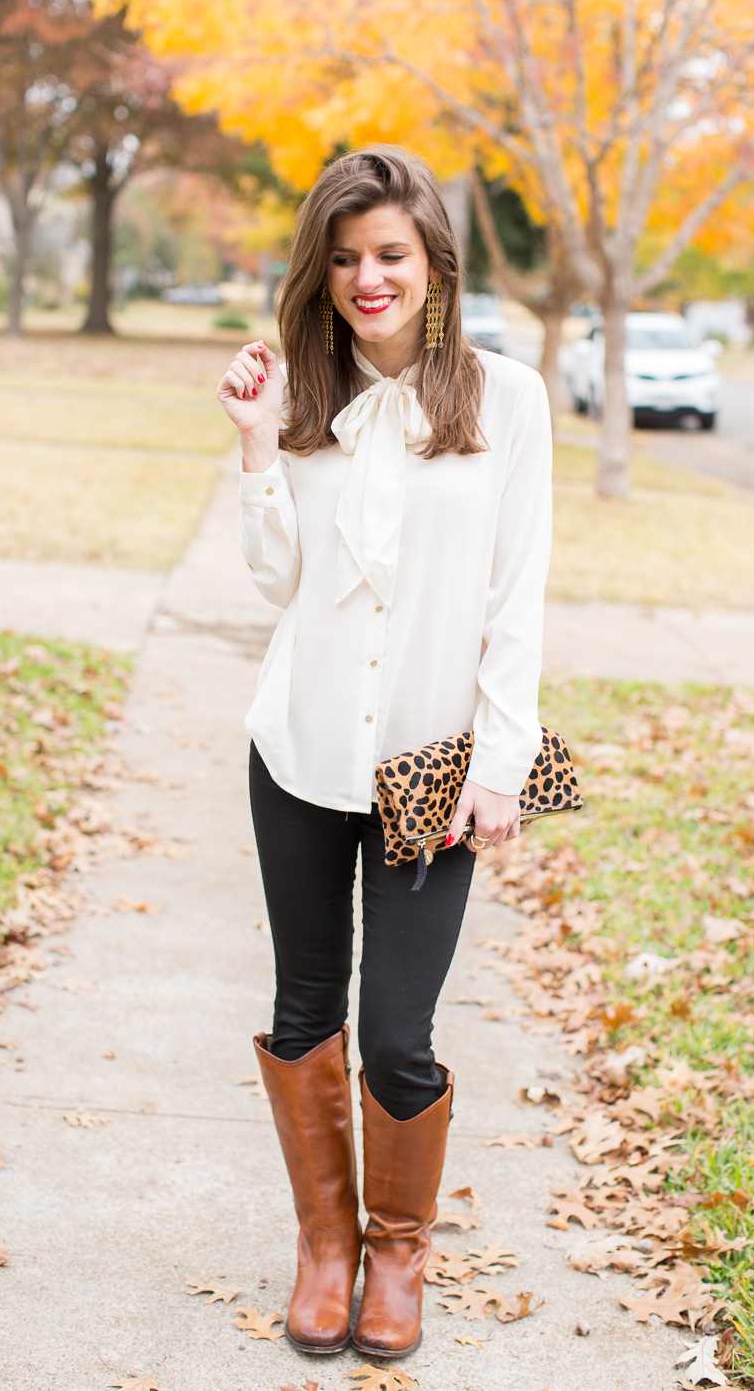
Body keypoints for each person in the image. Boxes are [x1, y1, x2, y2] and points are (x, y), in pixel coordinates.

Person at [215, 145, 552, 1360]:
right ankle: (324, 1248)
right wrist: (259, 446)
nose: (368, 278)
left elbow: (516, 597)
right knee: (304, 1010)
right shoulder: (302, 398)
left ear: (433, 264)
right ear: (323, 269)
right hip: (300, 750)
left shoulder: (506, 403)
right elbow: (276, 582)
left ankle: (397, 1248)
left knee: (399, 1029)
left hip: (433, 770)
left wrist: (500, 761)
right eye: (346, 257)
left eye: (390, 255)